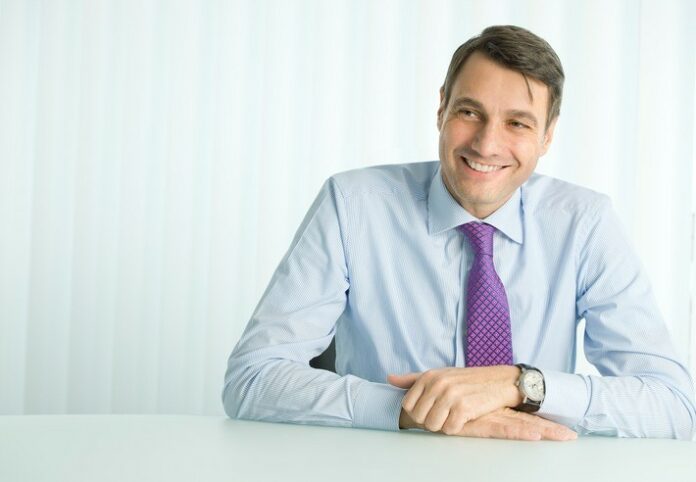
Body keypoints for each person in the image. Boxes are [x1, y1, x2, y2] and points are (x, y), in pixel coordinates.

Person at [222, 25, 696, 440]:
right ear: (441, 109)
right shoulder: (352, 205)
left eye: (517, 123)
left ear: (548, 136)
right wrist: (415, 411)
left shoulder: (585, 223)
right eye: (469, 112)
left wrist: (520, 385)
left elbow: (673, 406)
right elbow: (252, 379)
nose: (487, 144)